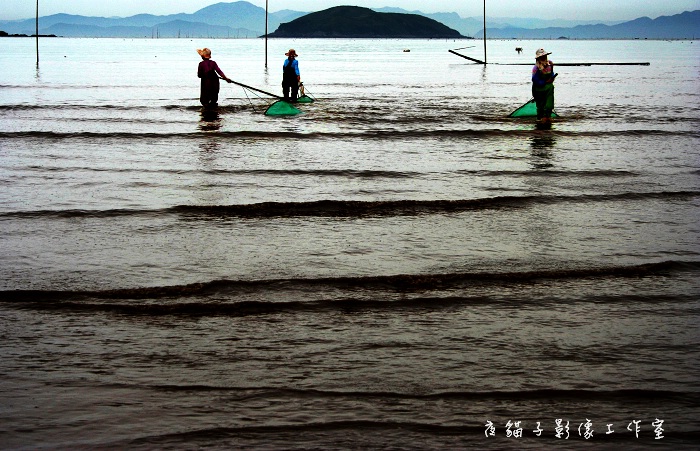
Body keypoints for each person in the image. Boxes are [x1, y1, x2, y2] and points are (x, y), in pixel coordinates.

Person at [532, 48, 557, 123]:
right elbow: (535, 80)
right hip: (539, 90)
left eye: (545, 56)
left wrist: (552, 78)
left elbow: (551, 74)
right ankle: (540, 119)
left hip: (549, 89)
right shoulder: (536, 68)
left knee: (549, 104)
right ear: (538, 58)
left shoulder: (549, 66)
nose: (544, 58)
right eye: (542, 57)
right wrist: (545, 82)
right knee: (540, 106)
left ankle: (547, 117)